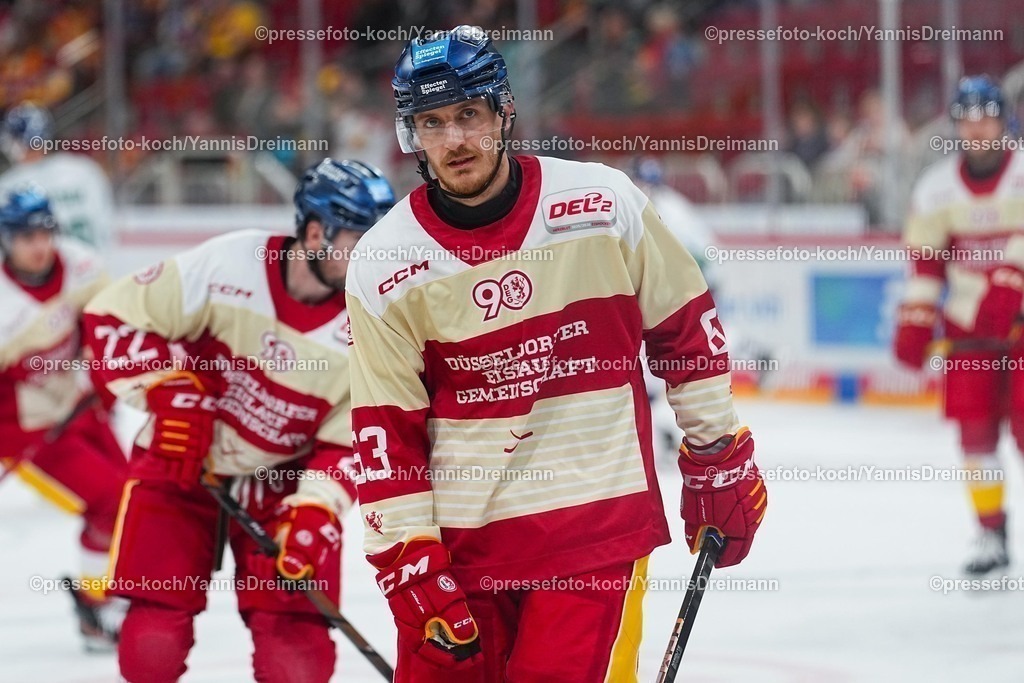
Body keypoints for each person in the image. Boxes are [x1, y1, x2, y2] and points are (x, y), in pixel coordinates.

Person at [345, 26, 767, 681]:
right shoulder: (383, 261)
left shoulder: (602, 205)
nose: (454, 140)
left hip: (590, 524)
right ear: (412, 135)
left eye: (468, 114)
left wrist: (717, 454)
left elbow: (686, 328)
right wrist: (407, 557)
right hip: (463, 540)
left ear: (502, 111)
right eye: (432, 122)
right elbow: (385, 433)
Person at [83, 159, 395, 682]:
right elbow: (114, 316)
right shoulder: (231, 262)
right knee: (153, 640)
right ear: (316, 232)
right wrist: (165, 386)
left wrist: (319, 509)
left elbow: (357, 433)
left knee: (296, 652)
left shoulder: (374, 315)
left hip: (285, 479)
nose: (375, 256)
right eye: (359, 239)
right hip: (183, 456)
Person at [894, 75, 1024, 578]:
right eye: (967, 121)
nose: (977, 131)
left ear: (1003, 121)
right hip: (971, 329)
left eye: (986, 119)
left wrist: (1011, 280)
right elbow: (925, 266)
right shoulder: (936, 188)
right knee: (974, 436)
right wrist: (916, 320)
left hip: (1020, 328)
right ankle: (991, 531)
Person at [0, 187, 128, 650]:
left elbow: (109, 322)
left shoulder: (80, 263)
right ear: (6, 240)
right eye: (24, 236)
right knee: (110, 501)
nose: (38, 245)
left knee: (136, 493)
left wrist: (100, 370)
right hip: (28, 432)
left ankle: (116, 590)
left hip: (79, 407)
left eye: (45, 232)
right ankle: (96, 609)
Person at [0, 102, 116, 248]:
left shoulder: (8, 185)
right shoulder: (86, 170)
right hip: (96, 266)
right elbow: (107, 226)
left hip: (51, 269)